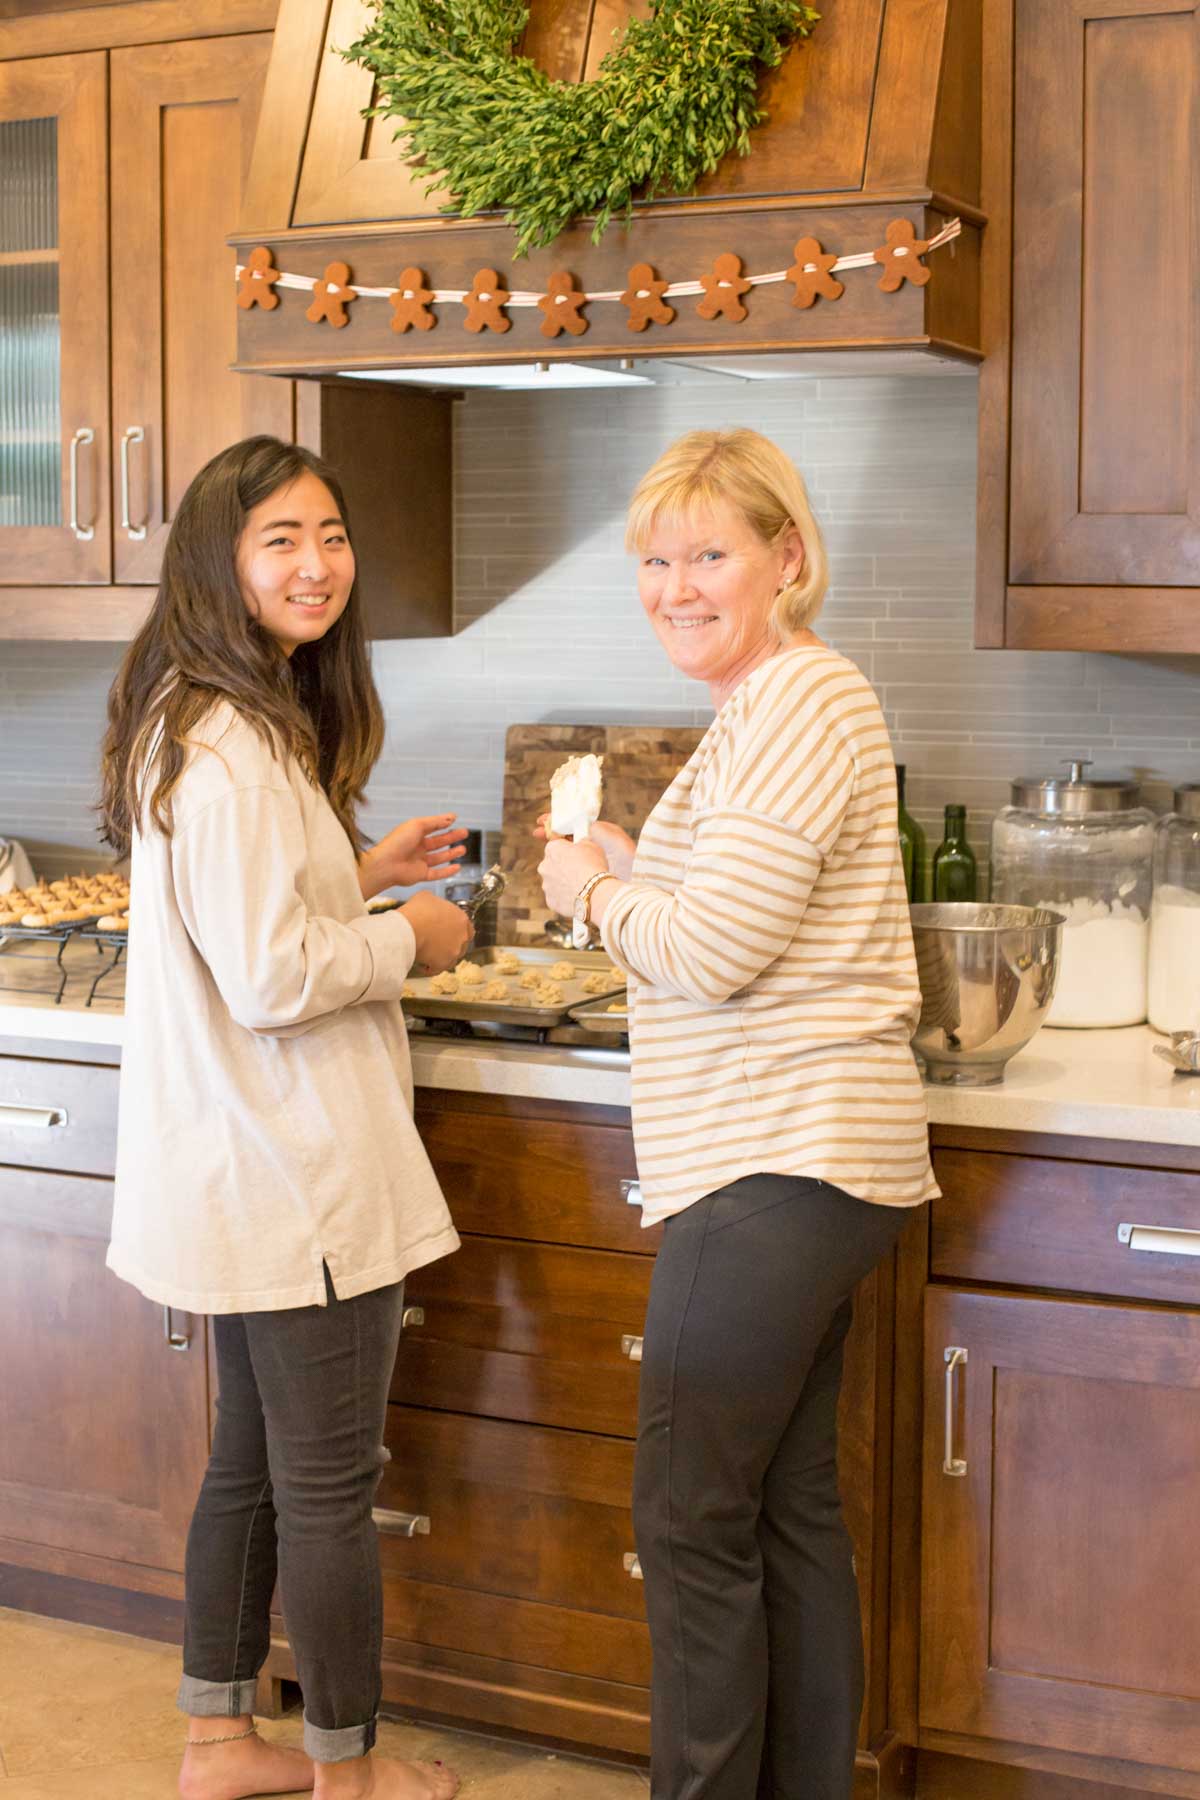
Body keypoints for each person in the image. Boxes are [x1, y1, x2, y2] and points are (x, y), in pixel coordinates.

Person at [538, 428, 938, 1800]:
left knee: (690, 1518)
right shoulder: (765, 710)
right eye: (655, 559)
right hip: (808, 1164)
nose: (675, 585)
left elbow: (711, 954)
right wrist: (632, 867)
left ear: (787, 557)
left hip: (777, 1157)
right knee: (781, 1510)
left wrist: (589, 894)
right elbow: (733, 913)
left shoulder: (802, 701)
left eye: (709, 553)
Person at [100, 436, 466, 1800]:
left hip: (240, 1171)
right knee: (326, 1493)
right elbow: (271, 978)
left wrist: (351, 871)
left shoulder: (202, 717)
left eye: (331, 534)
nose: (317, 565)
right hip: (295, 1178)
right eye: (279, 542)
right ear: (222, 561)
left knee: (249, 1469)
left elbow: (242, 914)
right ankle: (349, 1779)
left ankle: (218, 1743)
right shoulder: (244, 746)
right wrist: (412, 935)